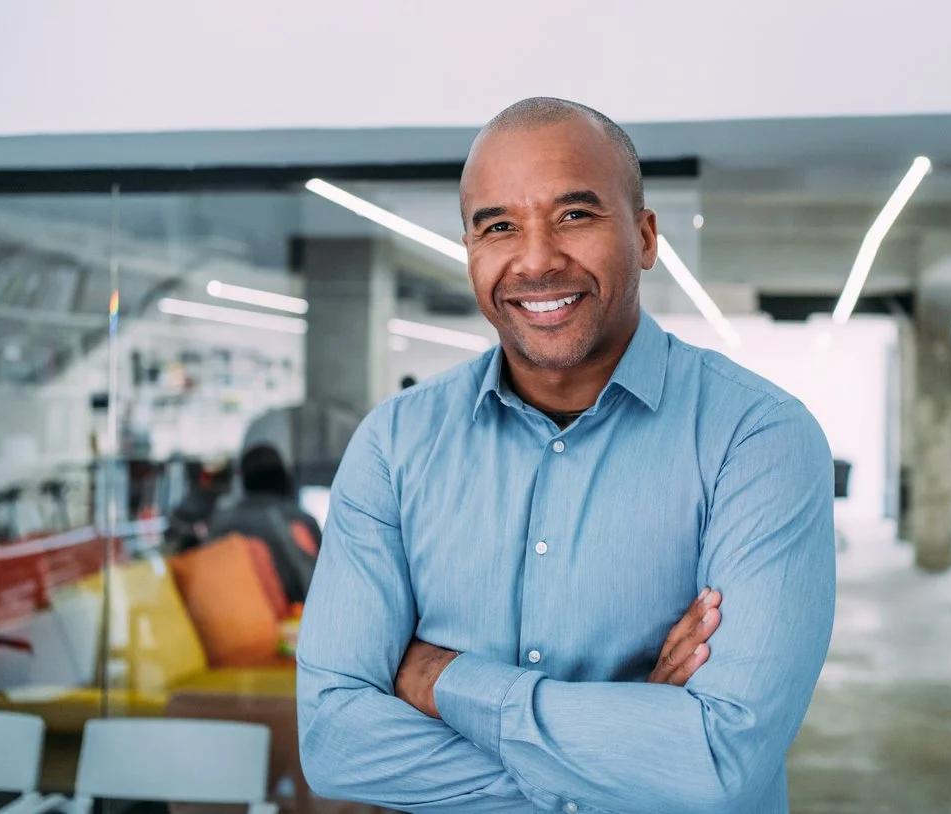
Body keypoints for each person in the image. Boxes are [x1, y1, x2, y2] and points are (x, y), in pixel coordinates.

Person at [297, 97, 836, 813]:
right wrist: (624, 746)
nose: (537, 259)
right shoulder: (394, 446)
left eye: (575, 215)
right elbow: (336, 744)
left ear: (645, 237)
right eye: (498, 226)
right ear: (469, 251)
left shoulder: (759, 439)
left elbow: (717, 760)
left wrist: (445, 679)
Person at [208, 444, 320, 604]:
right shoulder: (299, 521)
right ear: (284, 477)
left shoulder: (222, 522)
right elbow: (322, 580)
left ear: (243, 480)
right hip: (295, 618)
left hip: (229, 618)